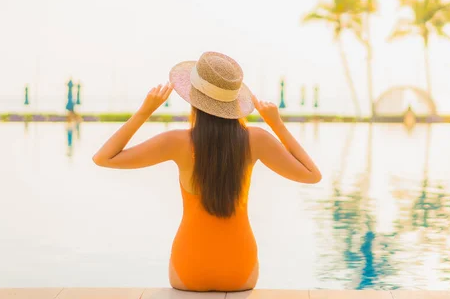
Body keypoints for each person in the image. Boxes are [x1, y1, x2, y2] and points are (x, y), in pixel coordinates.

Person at [92, 51, 321, 292]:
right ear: (234, 102)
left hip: (188, 271)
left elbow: (103, 158)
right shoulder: (257, 140)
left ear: (192, 98)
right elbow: (312, 175)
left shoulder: (175, 142)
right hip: (240, 273)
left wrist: (145, 111)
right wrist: (277, 124)